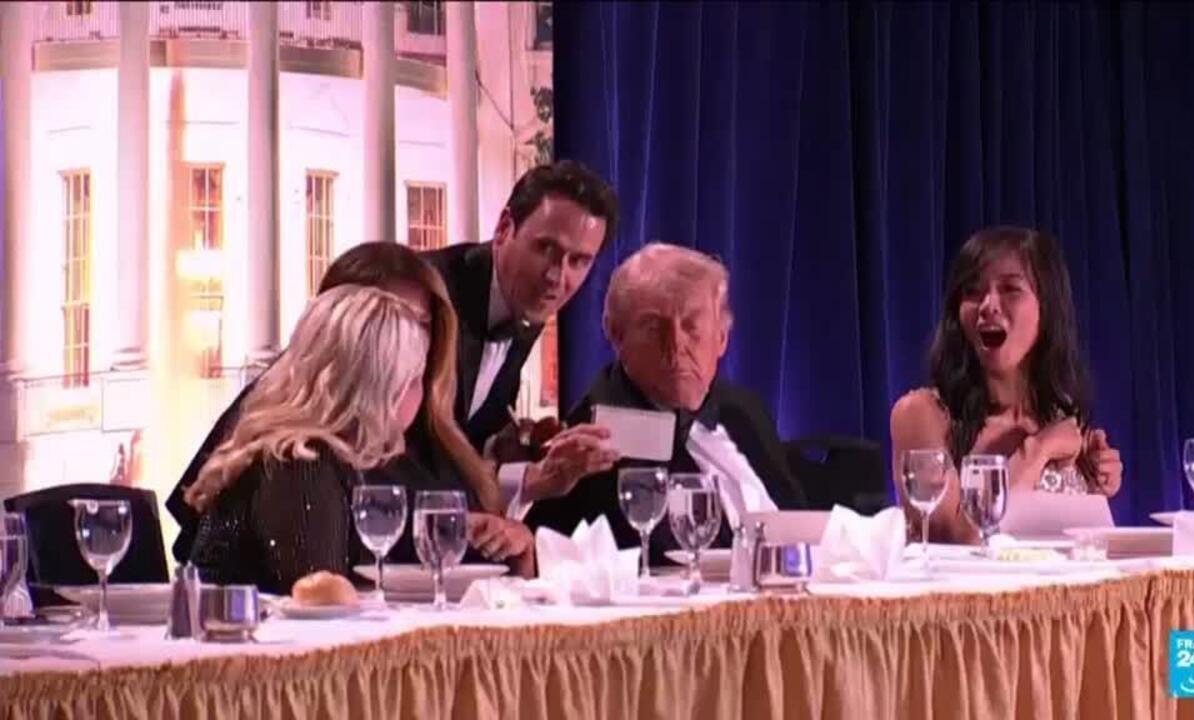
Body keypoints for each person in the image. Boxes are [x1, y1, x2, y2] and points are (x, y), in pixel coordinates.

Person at [167, 243, 529, 568]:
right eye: (385, 320)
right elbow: (322, 599)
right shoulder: (300, 458)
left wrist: (511, 541)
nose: (404, 339)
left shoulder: (434, 442)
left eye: (419, 324)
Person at [525, 244, 807, 564]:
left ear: (722, 337)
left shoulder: (745, 412)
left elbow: (799, 523)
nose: (675, 346)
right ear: (616, 335)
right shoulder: (587, 444)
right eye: (653, 327)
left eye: (691, 326)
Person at [890, 226, 1124, 545]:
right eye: (973, 292)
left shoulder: (1061, 414)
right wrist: (1037, 450)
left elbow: (1080, 547)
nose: (988, 305)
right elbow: (957, 541)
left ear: (1047, 308)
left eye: (1010, 289)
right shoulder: (921, 414)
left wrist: (1096, 485)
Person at [422, 160, 623, 519]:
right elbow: (404, 461)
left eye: (578, 261)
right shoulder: (428, 295)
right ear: (504, 228)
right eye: (545, 248)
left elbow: (462, 441)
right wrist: (526, 481)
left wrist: (501, 450)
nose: (556, 277)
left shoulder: (524, 305)